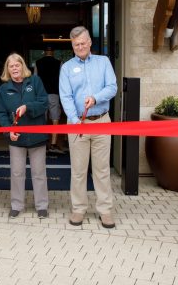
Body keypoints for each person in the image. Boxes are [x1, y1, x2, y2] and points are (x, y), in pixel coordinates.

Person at [59, 26, 117, 228]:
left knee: (101, 170)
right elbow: (65, 97)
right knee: (78, 170)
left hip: (102, 121)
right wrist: (75, 120)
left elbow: (112, 87)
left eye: (83, 43)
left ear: (90, 42)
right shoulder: (66, 68)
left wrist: (96, 98)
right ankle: (78, 209)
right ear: (72, 46)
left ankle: (105, 210)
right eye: (76, 44)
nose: (80, 47)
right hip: (78, 123)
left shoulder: (103, 62)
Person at [0, 53, 50, 219]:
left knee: (39, 173)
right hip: (16, 138)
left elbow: (44, 102)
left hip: (37, 136)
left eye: (17, 65)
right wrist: (8, 129)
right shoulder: (3, 90)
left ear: (22, 66)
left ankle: (42, 206)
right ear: (8, 70)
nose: (14, 69)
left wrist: (28, 107)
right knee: (17, 173)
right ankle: (16, 205)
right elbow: (0, 112)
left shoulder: (35, 82)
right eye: (11, 66)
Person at [34, 46, 63, 153]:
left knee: (42, 118)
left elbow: (35, 79)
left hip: (41, 94)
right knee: (55, 118)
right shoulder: (59, 63)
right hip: (54, 93)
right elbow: (61, 79)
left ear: (44, 52)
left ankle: (43, 143)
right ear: (53, 52)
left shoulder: (38, 62)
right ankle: (53, 144)